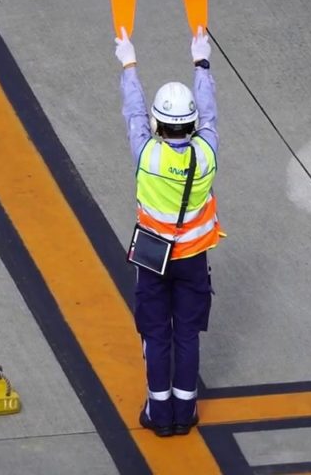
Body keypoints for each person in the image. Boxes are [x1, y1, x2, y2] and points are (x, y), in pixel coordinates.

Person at [114, 25, 222, 437]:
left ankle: (159, 414)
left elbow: (132, 112)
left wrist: (129, 62)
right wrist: (202, 61)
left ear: (158, 123)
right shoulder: (207, 152)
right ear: (192, 122)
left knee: (156, 333)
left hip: (153, 256)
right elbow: (210, 112)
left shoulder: (146, 154)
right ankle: (186, 409)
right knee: (187, 334)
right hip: (193, 259)